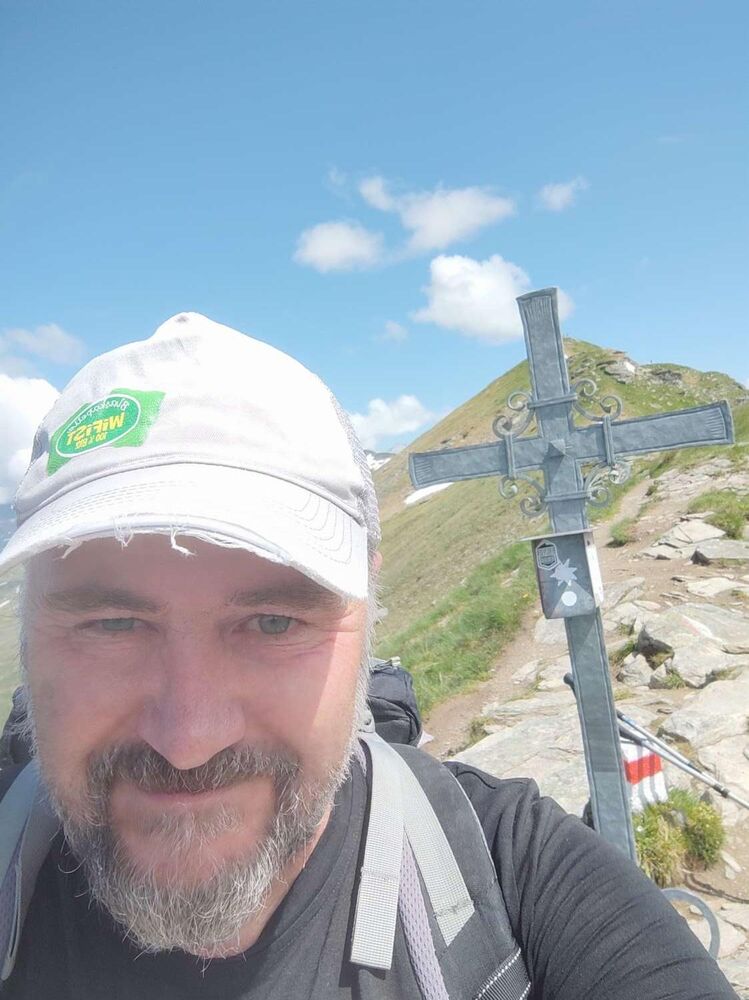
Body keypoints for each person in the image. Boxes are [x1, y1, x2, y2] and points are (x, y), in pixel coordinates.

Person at [0, 312, 736, 999]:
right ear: (28, 627)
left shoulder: (514, 880)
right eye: (111, 625)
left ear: (369, 612)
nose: (188, 740)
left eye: (273, 622)